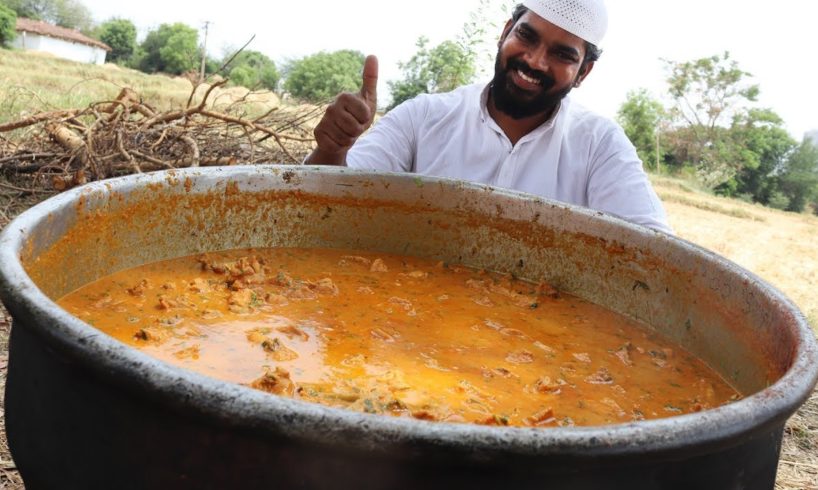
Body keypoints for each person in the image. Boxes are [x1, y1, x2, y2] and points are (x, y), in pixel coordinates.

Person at [305, 0, 672, 234]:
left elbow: (654, 252)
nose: (535, 61)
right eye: (526, 37)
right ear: (505, 33)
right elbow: (327, 205)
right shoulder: (424, 117)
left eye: (562, 55)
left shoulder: (600, 146)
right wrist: (333, 149)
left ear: (583, 73)